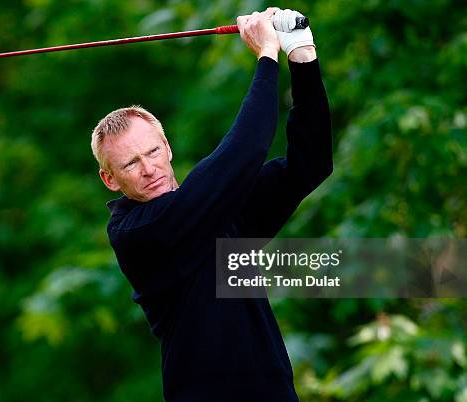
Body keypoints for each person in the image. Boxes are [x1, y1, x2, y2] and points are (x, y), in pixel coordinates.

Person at [90, 7, 332, 402]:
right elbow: (241, 154)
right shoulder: (138, 233)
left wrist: (301, 53)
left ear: (167, 147)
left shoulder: (220, 211)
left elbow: (312, 162)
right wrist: (266, 57)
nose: (149, 168)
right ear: (110, 179)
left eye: (152, 152)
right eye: (130, 163)